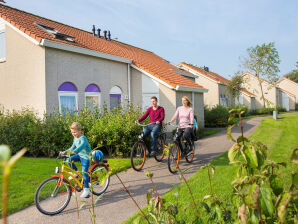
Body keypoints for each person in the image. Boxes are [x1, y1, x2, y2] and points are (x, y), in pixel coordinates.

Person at [59, 122, 92, 198]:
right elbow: (72, 147)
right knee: (68, 160)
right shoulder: (75, 138)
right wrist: (64, 152)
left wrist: (75, 151)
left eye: (75, 132)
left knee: (84, 173)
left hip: (86, 156)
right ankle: (76, 172)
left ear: (80, 130)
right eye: (72, 132)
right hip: (80, 155)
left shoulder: (83, 138)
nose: (73, 134)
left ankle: (86, 190)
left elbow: (81, 146)